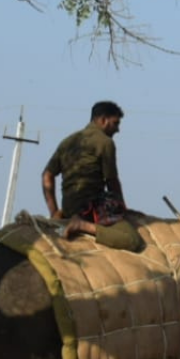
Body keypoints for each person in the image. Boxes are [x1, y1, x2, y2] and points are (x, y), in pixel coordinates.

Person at [41, 100, 143, 252]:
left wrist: (54, 212)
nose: (118, 129)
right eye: (115, 123)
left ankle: (72, 219)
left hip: (68, 209)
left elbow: (47, 176)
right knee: (132, 240)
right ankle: (82, 225)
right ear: (103, 120)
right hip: (90, 210)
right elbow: (112, 181)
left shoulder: (67, 142)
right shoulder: (105, 142)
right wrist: (123, 210)